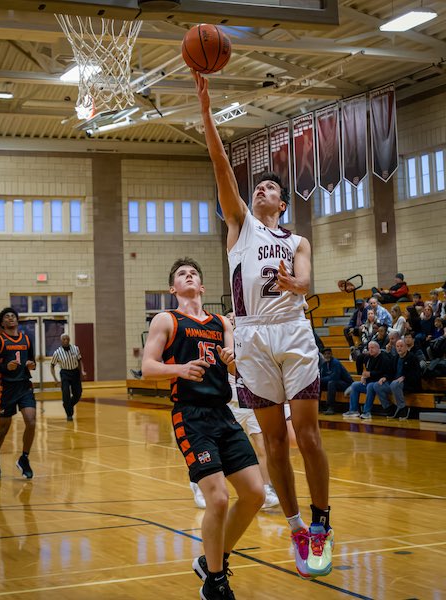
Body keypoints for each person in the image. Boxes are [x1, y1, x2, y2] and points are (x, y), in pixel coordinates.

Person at [194, 70, 333, 580]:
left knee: (308, 434)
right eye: (258, 186)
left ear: (282, 203)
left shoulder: (297, 241)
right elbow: (220, 165)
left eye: (271, 187)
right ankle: (296, 523)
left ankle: (322, 520)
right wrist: (207, 114)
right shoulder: (240, 226)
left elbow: (304, 280)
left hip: (291, 328)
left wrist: (297, 287)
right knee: (273, 441)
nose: (262, 190)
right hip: (252, 333)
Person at [142, 258, 265, 600]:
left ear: (202, 286)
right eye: (181, 274)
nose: (189, 276)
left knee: (254, 493)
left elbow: (240, 367)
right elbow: (148, 367)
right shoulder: (167, 319)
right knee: (219, 498)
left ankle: (213, 558)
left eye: (193, 272)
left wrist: (233, 362)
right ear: (173, 288)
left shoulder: (221, 321)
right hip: (191, 416)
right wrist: (180, 369)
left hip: (223, 413)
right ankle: (216, 581)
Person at [0, 307, 36, 479]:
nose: (10, 318)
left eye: (13, 316)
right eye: (6, 316)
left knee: (31, 422)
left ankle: (24, 458)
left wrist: (31, 364)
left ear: (17, 320)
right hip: (8, 388)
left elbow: (32, 361)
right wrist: (4, 367)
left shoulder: (27, 339)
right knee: (3, 428)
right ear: (2, 323)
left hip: (24, 386)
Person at [373, 339, 422, 420]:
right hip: (395, 384)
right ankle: (389, 408)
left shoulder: (412, 358)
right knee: (377, 385)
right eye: (397, 346)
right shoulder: (395, 358)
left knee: (394, 384)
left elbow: (417, 374)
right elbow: (390, 372)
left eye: (401, 346)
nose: (399, 348)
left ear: (406, 347)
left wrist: (405, 377)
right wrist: (385, 377)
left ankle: (403, 409)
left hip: (409, 384)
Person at [343, 341, 393, 419]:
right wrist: (364, 377)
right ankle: (353, 410)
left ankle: (367, 412)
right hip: (370, 382)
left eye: (372, 348)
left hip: (380, 384)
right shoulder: (368, 358)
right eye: (369, 348)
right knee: (355, 385)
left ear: (378, 348)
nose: (370, 350)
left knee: (370, 385)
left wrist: (370, 374)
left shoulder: (384, 358)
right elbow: (366, 370)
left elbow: (386, 373)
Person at [50, 333, 86, 421]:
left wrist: (82, 371)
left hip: (75, 372)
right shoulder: (57, 352)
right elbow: (52, 366)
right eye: (64, 339)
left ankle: (68, 404)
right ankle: (69, 415)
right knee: (65, 394)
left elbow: (79, 361)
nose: (66, 340)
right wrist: (55, 379)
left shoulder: (75, 348)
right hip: (65, 373)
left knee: (78, 394)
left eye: (67, 339)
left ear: (69, 340)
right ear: (61, 341)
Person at [320, 348, 353, 415]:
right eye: (325, 354)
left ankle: (331, 407)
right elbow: (322, 377)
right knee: (318, 384)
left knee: (331, 383)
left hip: (346, 384)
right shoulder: (323, 364)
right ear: (323, 355)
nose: (327, 355)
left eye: (328, 354)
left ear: (331, 354)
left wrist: (321, 380)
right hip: (333, 383)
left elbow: (335, 377)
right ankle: (319, 405)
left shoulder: (335, 363)